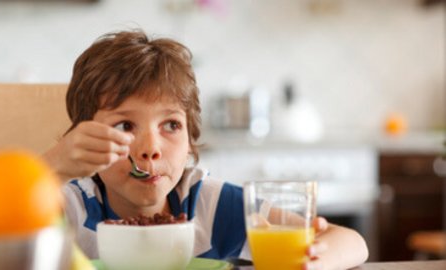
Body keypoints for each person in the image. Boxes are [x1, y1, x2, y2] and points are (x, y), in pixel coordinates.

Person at [43, 29, 369, 270]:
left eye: (170, 125)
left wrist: (313, 262)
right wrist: (53, 166)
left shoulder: (208, 204)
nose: (151, 149)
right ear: (84, 135)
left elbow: (352, 242)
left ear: (190, 139)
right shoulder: (71, 209)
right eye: (125, 126)